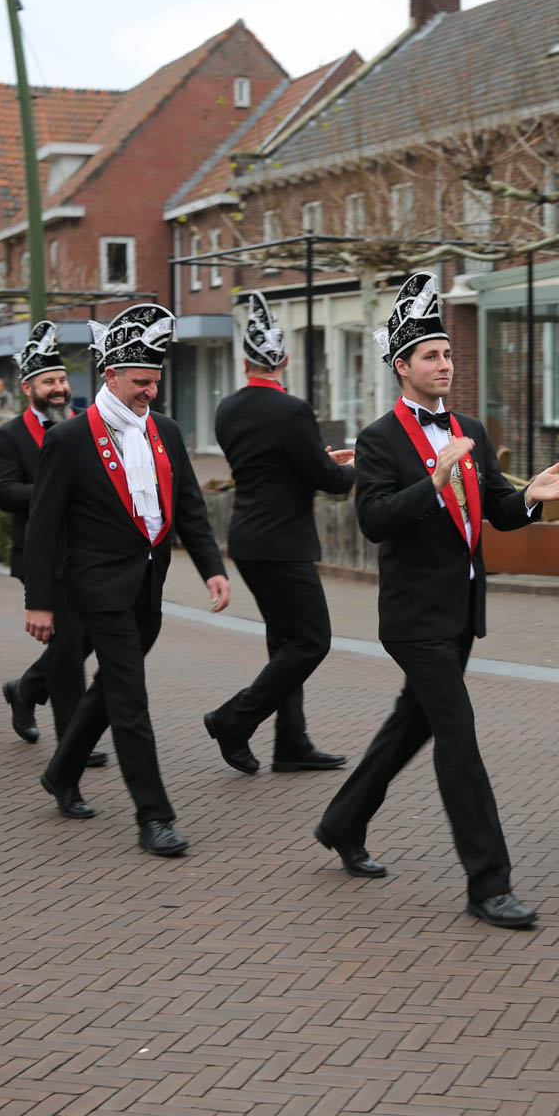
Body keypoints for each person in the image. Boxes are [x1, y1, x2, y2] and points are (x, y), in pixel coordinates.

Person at [314, 273, 559, 928]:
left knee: (413, 722)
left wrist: (532, 497)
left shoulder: (469, 427)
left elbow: (497, 510)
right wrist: (433, 481)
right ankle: (489, 884)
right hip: (413, 617)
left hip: (460, 612)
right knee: (457, 736)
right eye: (431, 356)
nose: (445, 365)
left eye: (448, 354)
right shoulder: (379, 439)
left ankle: (343, 821)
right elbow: (375, 520)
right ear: (402, 366)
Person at [25, 303, 229, 854]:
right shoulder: (69, 439)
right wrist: (39, 601)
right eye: (141, 382)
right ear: (111, 375)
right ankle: (153, 816)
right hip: (97, 588)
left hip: (148, 586)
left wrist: (212, 569)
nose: (150, 392)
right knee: (130, 700)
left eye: (155, 382)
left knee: (110, 689)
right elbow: (43, 527)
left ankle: (61, 772)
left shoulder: (166, 430)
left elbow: (188, 506)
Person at [201, 291, 354, 775]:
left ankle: (291, 743)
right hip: (283, 542)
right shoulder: (292, 410)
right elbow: (328, 481)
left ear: (244, 361)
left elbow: (268, 466)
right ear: (284, 360)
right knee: (312, 641)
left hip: (248, 538)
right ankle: (233, 719)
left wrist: (318, 461)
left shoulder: (227, 409)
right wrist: (359, 470)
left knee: (285, 642)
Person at [0, 322, 103, 761]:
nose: (58, 388)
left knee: (81, 639)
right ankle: (73, 744)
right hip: (40, 556)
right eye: (48, 382)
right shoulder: (10, 435)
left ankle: (26, 689)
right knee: (69, 647)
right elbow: (4, 493)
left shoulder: (82, 424)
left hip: (85, 553)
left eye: (61, 380)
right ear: (27, 388)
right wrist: (56, 489)